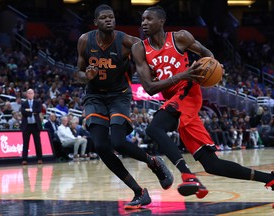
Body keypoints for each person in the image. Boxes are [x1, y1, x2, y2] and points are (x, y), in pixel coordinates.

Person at [131, 5, 274, 198]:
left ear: (161, 21)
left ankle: (188, 176)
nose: (144, 23)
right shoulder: (139, 48)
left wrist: (212, 69)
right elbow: (148, 87)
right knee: (213, 165)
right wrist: (183, 74)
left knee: (154, 128)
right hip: (174, 99)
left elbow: (208, 54)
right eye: (142, 20)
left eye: (149, 19)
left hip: (189, 92)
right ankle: (269, 179)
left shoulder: (180, 37)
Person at [75, 4, 175, 209]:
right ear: (95, 22)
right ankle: (139, 192)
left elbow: (150, 61)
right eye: (103, 18)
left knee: (119, 142)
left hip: (119, 96)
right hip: (94, 96)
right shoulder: (85, 40)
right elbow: (78, 74)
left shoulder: (128, 42)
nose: (109, 20)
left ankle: (153, 162)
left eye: (111, 17)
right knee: (101, 146)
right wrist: (87, 76)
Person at [20, 88, 43, 165]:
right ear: (26, 94)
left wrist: (29, 110)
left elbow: (39, 110)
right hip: (27, 126)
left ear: (34, 94)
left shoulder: (37, 102)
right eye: (28, 93)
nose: (30, 94)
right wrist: (32, 112)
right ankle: (24, 159)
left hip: (35, 125)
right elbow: (23, 112)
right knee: (25, 143)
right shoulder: (24, 103)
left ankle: (39, 158)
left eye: (31, 93)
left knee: (37, 143)